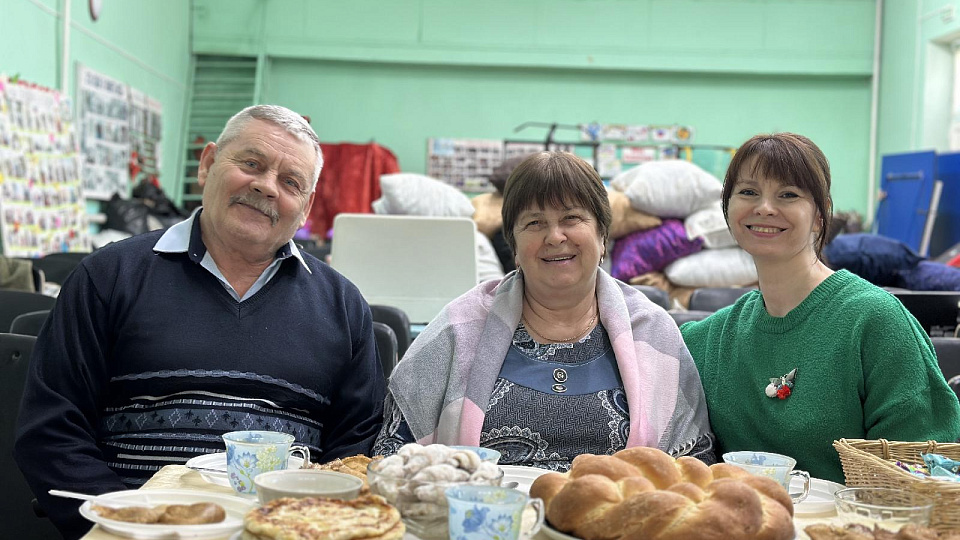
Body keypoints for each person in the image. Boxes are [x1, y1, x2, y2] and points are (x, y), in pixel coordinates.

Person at [14, 105, 386, 539]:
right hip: (132, 525)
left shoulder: (343, 304)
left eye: (290, 182)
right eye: (251, 164)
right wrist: (131, 526)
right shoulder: (108, 276)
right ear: (207, 165)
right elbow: (52, 429)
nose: (266, 187)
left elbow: (355, 450)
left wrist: (302, 526)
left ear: (305, 208)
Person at [374, 151, 715, 470]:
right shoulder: (459, 327)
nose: (555, 236)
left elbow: (693, 463)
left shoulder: (652, 330)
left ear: (603, 236)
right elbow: (391, 454)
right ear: (515, 246)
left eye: (572, 218)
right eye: (534, 223)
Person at [680, 133, 960, 484]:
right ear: (728, 207)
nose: (765, 207)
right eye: (748, 192)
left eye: (788, 195)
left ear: (820, 214)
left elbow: (920, 470)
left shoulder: (875, 321)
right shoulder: (709, 339)